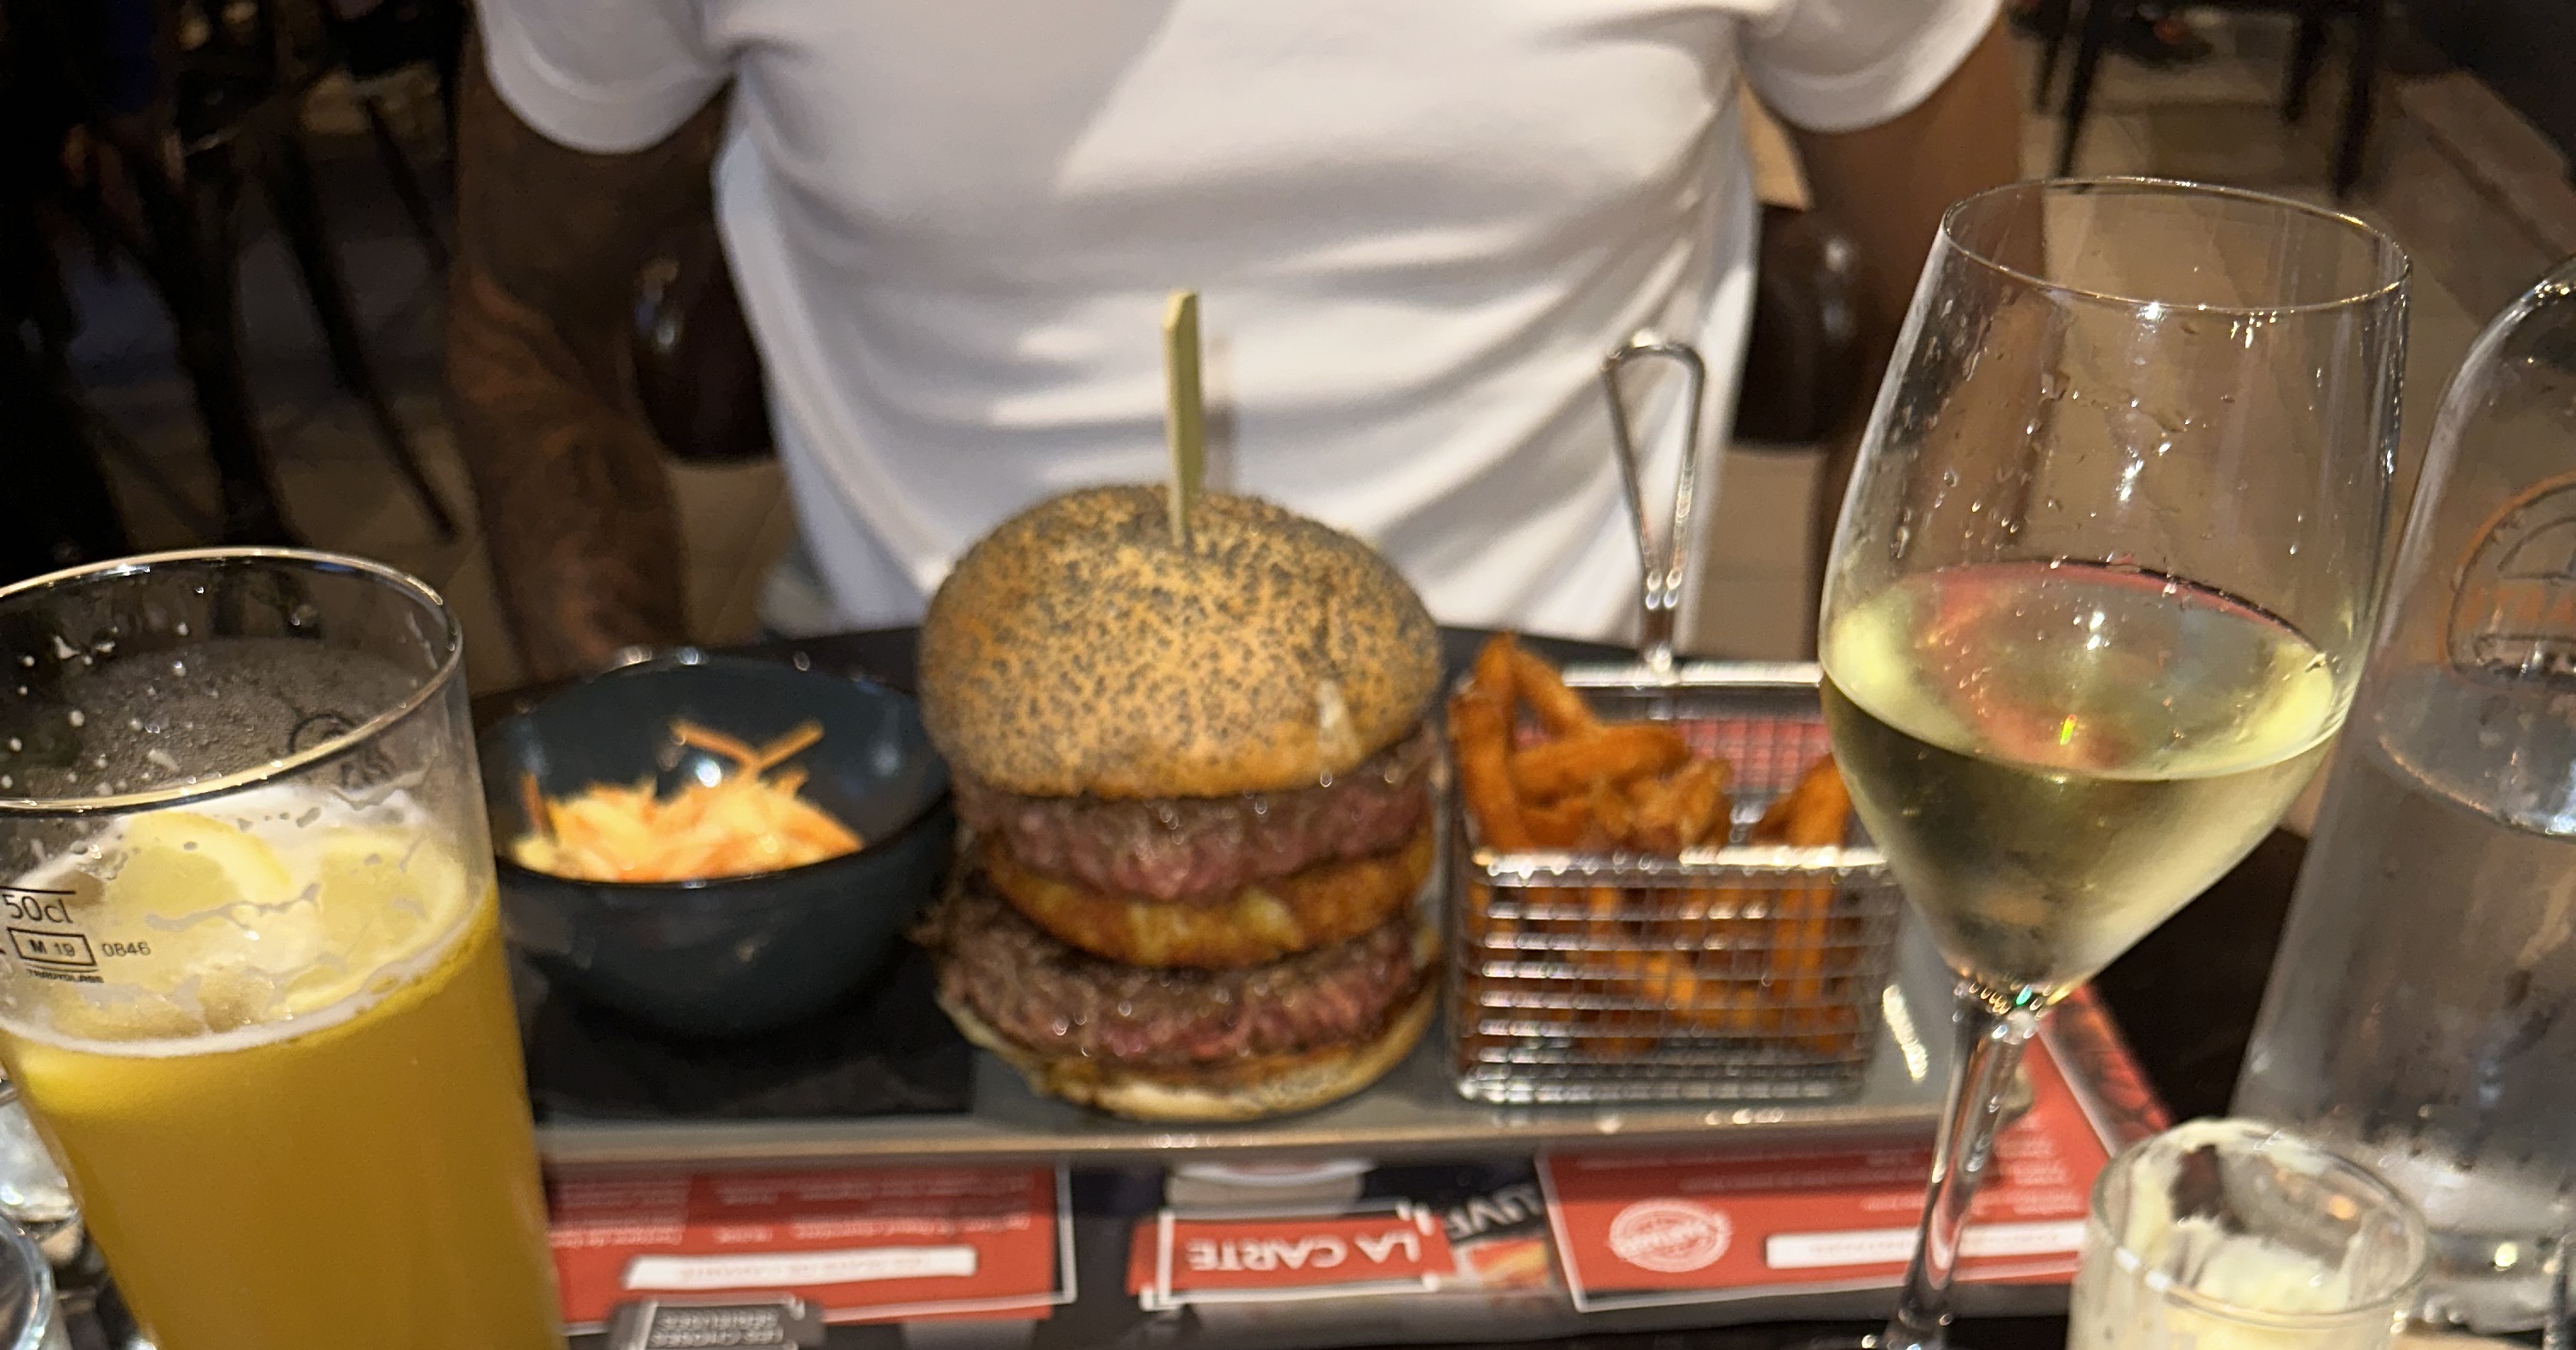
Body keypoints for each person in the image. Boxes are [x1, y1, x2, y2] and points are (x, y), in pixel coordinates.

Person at [448, 0, 2018, 680]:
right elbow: (524, 313)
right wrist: (629, 765)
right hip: (917, 767)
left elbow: (1987, 317)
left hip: (1543, 798)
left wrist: (1888, 802)